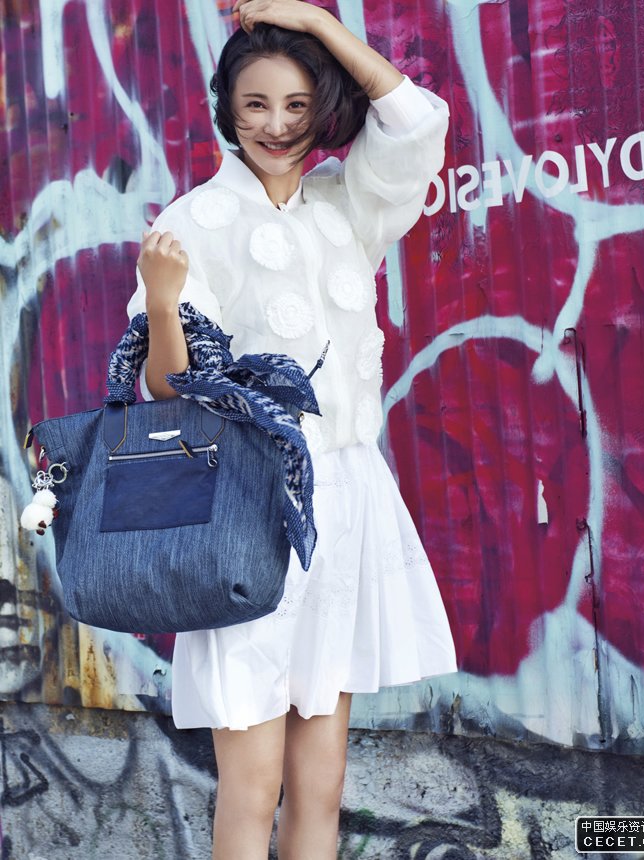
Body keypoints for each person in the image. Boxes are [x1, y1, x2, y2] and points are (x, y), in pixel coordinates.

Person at [126, 1, 458, 857]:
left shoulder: (346, 207)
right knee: (252, 785)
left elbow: (414, 122)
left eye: (297, 105)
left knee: (323, 781)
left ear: (324, 109)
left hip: (344, 501)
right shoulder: (193, 222)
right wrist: (161, 302)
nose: (276, 125)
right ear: (226, 109)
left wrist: (313, 22)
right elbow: (164, 388)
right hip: (248, 509)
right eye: (256, 104)